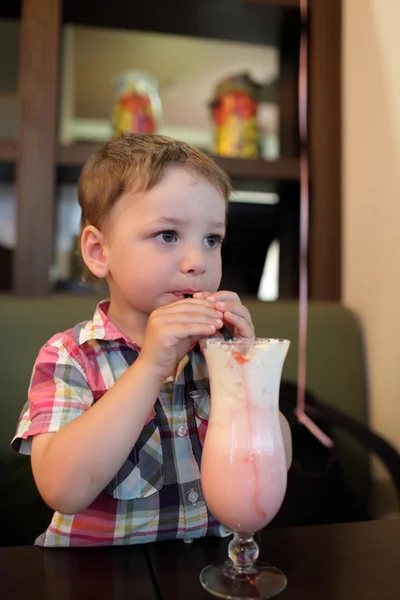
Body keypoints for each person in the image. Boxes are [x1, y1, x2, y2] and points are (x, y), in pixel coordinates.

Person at [12, 134, 292, 547]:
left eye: (211, 239)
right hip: (98, 576)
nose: (197, 262)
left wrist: (245, 370)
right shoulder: (71, 356)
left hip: (207, 567)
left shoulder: (214, 350)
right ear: (98, 250)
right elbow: (62, 489)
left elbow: (277, 462)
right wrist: (150, 367)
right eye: (167, 235)